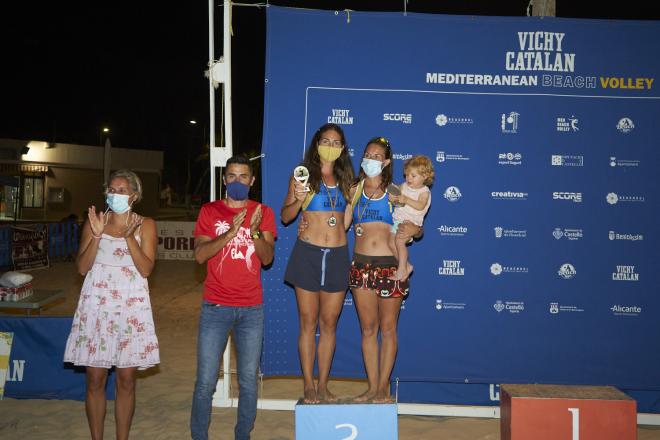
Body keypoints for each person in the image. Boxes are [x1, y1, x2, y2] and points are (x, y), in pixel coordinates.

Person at [64, 169, 159, 440]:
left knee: (126, 380)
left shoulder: (146, 224)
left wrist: (129, 237)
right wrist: (96, 235)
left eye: (121, 190)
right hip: (97, 306)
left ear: (135, 196)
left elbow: (146, 269)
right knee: (95, 379)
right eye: (111, 189)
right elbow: (82, 267)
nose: (114, 194)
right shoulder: (95, 222)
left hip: (131, 308)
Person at [190, 155, 276, 440]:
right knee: (205, 382)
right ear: (224, 179)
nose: (237, 181)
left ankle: (243, 435)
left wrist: (252, 230)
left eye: (243, 176)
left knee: (248, 381)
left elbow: (267, 259)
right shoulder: (209, 211)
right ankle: (199, 435)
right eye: (231, 176)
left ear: (252, 181)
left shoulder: (263, 211)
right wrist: (229, 233)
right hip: (215, 306)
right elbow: (200, 256)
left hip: (251, 309)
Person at [281, 122, 355, 403]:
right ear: (316, 143)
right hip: (307, 254)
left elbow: (347, 221)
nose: (331, 146)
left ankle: (323, 385)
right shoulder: (302, 177)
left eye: (337, 142)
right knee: (307, 323)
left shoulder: (348, 180)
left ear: (343, 148)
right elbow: (286, 217)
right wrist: (298, 201)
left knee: (329, 324)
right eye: (326, 141)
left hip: (337, 256)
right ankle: (308, 385)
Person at [348, 137, 421, 403]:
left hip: (390, 267)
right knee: (368, 330)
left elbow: (414, 224)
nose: (371, 159)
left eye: (377, 156)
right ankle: (371, 388)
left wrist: (416, 230)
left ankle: (382, 389)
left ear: (387, 162)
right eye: (368, 154)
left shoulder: (394, 191)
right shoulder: (353, 190)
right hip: (360, 265)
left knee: (388, 329)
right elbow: (339, 220)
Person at [387, 155, 434, 281]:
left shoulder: (424, 192)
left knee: (399, 242)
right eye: (407, 175)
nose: (408, 178)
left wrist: (406, 199)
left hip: (410, 222)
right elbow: (398, 202)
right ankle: (407, 265)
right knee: (391, 243)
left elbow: (420, 206)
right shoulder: (403, 185)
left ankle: (401, 269)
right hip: (398, 220)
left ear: (425, 176)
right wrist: (393, 199)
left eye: (413, 176)